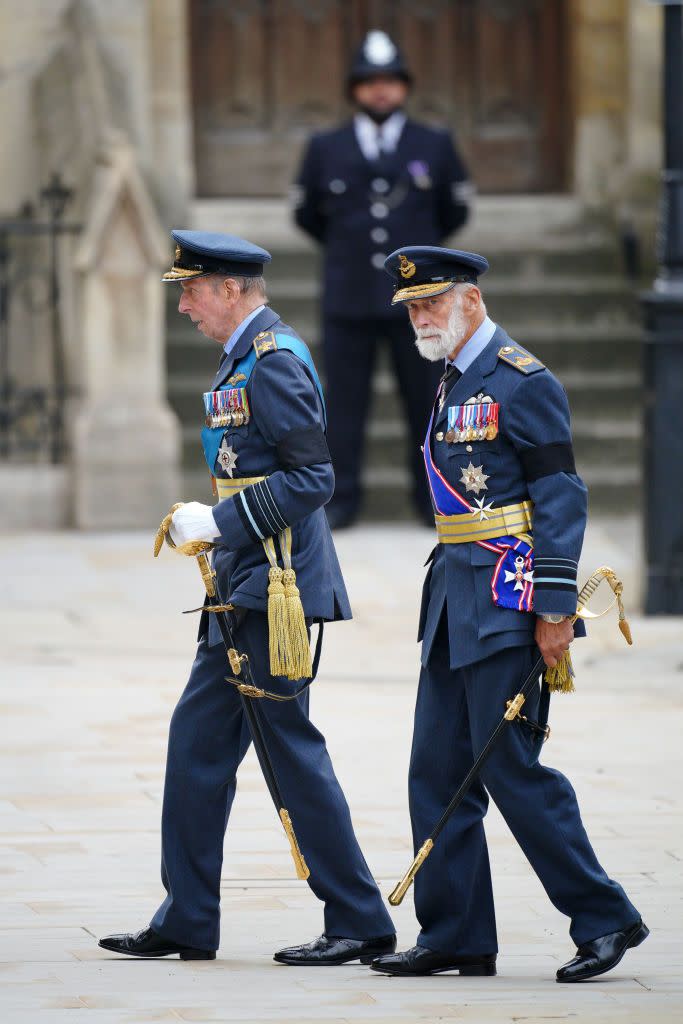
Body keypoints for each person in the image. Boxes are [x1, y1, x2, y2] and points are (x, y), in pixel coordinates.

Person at [98, 231, 395, 964]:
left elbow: (313, 478)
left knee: (289, 751)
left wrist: (221, 520)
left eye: (192, 290)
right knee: (196, 748)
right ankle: (188, 916)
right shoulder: (242, 358)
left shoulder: (273, 361)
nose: (183, 307)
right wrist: (219, 526)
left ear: (230, 290)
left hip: (275, 586)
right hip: (241, 583)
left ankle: (359, 919)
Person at [370, 245, 648, 982]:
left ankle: (606, 918)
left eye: (431, 303)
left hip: (506, 598)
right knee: (435, 772)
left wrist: (554, 608)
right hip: (450, 603)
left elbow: (561, 494)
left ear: (471, 300)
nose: (419, 317)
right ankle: (455, 933)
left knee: (511, 772)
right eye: (412, 308)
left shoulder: (521, 380)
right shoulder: (452, 376)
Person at [292, 30, 472, 529]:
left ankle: (432, 498)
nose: (380, 91)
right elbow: (307, 214)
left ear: (405, 87)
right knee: (344, 405)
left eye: (390, 81)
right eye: (370, 82)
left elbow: (452, 211)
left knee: (427, 401)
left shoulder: (433, 144)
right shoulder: (325, 146)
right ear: (354, 89)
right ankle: (342, 499)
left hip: (420, 304)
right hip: (348, 295)